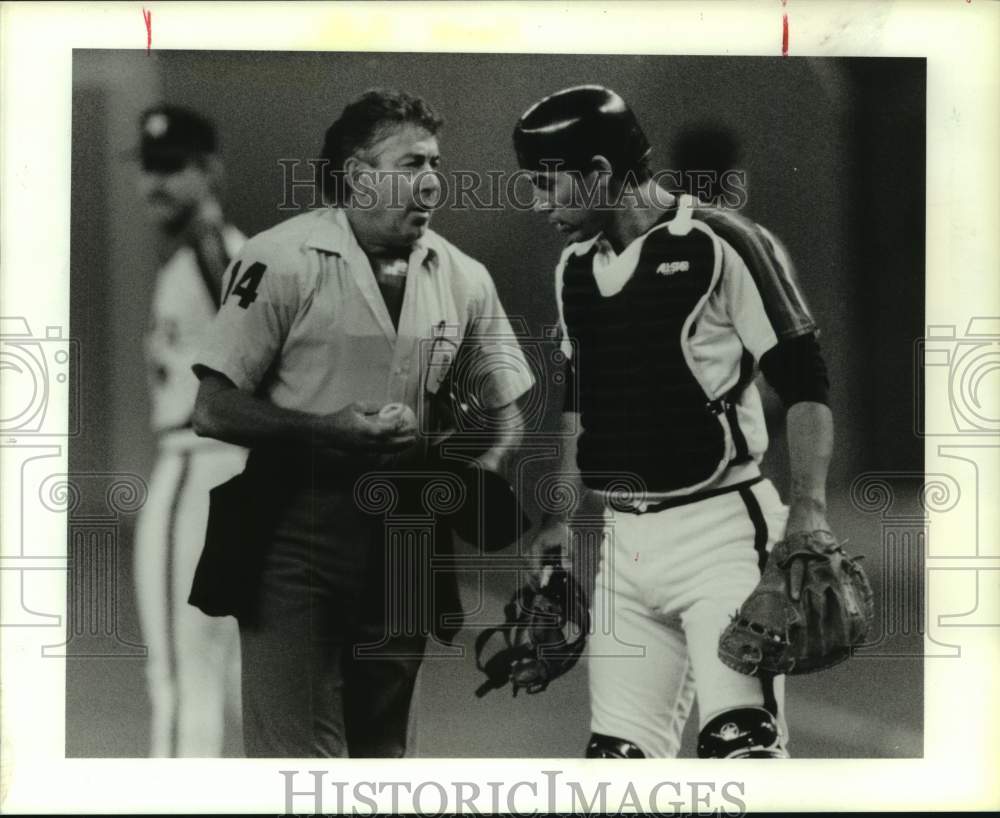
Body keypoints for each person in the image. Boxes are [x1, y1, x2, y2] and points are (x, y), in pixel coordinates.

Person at [190, 88, 534, 758]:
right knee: (298, 767)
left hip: (405, 538)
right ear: (356, 174)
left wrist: (478, 472)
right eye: (410, 164)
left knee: (385, 764)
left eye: (435, 163)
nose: (431, 182)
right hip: (295, 528)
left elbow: (506, 413)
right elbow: (212, 407)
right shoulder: (280, 258)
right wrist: (330, 431)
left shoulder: (463, 276)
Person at [513, 85, 834, 759]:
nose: (540, 203)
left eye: (549, 184)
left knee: (738, 752)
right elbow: (579, 404)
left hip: (721, 536)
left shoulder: (725, 244)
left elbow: (805, 381)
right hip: (625, 549)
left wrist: (809, 511)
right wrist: (559, 522)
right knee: (616, 770)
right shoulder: (574, 270)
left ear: (600, 172)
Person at [131, 104, 247, 757]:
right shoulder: (226, 250)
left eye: (172, 167)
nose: (155, 182)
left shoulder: (210, 249)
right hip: (236, 476)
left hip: (196, 469)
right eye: (149, 167)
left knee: (179, 680)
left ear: (210, 171)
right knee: (231, 678)